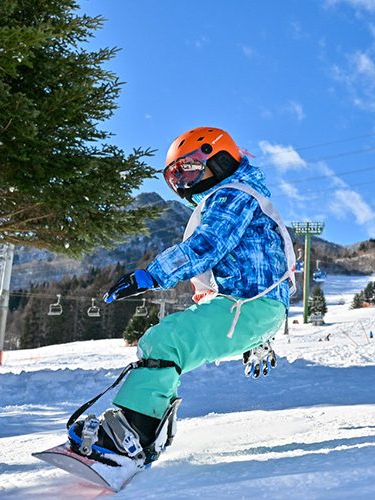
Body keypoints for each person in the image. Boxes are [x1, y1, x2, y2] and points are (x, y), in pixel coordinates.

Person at [68, 127, 295, 468]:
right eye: (175, 175)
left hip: (249, 306)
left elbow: (206, 246)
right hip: (252, 308)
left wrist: (152, 275)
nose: (183, 181)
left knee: (166, 341)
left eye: (189, 169)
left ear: (219, 159)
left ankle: (132, 438)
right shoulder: (238, 196)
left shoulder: (233, 196)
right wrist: (258, 335)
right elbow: (263, 266)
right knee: (168, 341)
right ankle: (141, 430)